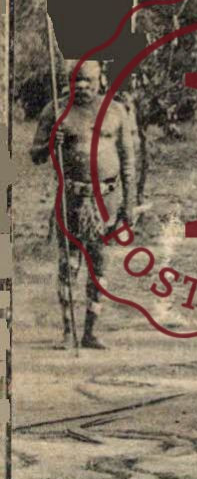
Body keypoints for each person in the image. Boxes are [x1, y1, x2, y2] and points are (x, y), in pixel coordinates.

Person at [30, 58, 139, 350]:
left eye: (87, 80)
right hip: (71, 200)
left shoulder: (116, 111)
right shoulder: (55, 110)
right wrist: (53, 140)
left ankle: (91, 330)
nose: (81, 86)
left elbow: (128, 161)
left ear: (100, 80)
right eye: (75, 80)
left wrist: (130, 204)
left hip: (107, 200)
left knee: (99, 263)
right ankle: (69, 332)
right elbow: (36, 155)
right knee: (69, 264)